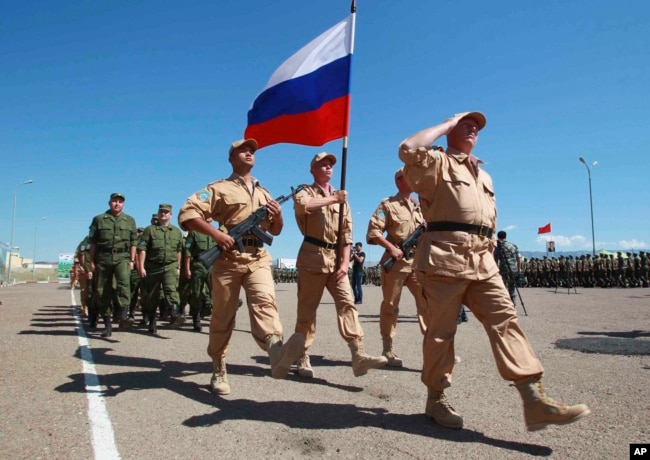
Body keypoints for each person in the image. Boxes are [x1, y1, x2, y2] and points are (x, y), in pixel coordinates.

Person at [399, 111, 590, 431]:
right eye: (465, 124)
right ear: (450, 130)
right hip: (445, 257)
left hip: (483, 260)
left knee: (506, 320)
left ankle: (534, 400)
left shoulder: (484, 175)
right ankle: (436, 399)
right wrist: (448, 122)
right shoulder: (436, 163)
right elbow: (407, 149)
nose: (473, 128)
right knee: (441, 333)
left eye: (476, 126)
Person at [178, 138, 305, 395]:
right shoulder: (219, 188)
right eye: (243, 150)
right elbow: (187, 214)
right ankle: (218, 366)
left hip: (258, 257)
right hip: (227, 260)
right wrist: (217, 235)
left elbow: (276, 231)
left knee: (265, 302)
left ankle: (276, 350)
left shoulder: (264, 193)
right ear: (231, 158)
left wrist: (278, 214)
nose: (249, 153)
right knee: (223, 317)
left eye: (252, 151)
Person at [291, 152, 387, 379]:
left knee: (347, 303)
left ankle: (358, 354)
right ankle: (303, 356)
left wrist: (345, 264)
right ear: (312, 170)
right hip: (312, 256)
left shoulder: (341, 199)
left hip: (336, 260)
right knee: (307, 311)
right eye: (322, 165)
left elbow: (346, 236)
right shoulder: (306, 191)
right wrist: (334, 200)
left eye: (330, 165)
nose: (327, 168)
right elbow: (304, 206)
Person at [366, 167, 428, 367]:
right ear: (399, 181)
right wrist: (391, 248)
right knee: (391, 306)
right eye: (410, 176)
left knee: (427, 305)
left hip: (418, 263)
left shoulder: (419, 206)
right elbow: (373, 232)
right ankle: (388, 348)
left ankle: (434, 351)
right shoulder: (388, 205)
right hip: (396, 264)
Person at [88, 192, 138, 337]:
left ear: (123, 204)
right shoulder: (99, 219)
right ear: (109, 203)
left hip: (123, 257)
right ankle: (107, 325)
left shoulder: (130, 220)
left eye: (120, 202)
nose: (117, 204)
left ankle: (123, 315)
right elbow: (93, 243)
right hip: (103, 258)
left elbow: (134, 242)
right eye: (115, 201)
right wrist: (91, 261)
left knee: (123, 283)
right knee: (102, 290)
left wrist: (132, 260)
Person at [137, 203, 185, 333]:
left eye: (166, 212)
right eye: (161, 212)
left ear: (171, 215)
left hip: (170, 266)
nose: (163, 214)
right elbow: (142, 249)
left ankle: (175, 315)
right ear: (158, 214)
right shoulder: (150, 230)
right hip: (152, 267)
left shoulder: (176, 232)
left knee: (171, 290)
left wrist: (178, 267)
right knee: (152, 296)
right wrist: (141, 267)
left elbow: (179, 251)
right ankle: (152, 321)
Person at [184, 224, 217, 332]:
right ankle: (196, 319)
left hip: (212, 266)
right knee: (196, 293)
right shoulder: (194, 232)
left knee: (216, 293)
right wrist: (187, 268)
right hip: (198, 265)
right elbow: (187, 252)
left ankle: (217, 318)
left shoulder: (214, 231)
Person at [495, 230, 521, 304]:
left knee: (503, 287)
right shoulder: (513, 246)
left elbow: (495, 260)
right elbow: (518, 258)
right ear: (506, 237)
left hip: (504, 270)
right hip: (514, 269)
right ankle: (513, 302)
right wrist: (518, 269)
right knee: (512, 287)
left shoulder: (498, 247)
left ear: (498, 237)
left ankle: (505, 303)